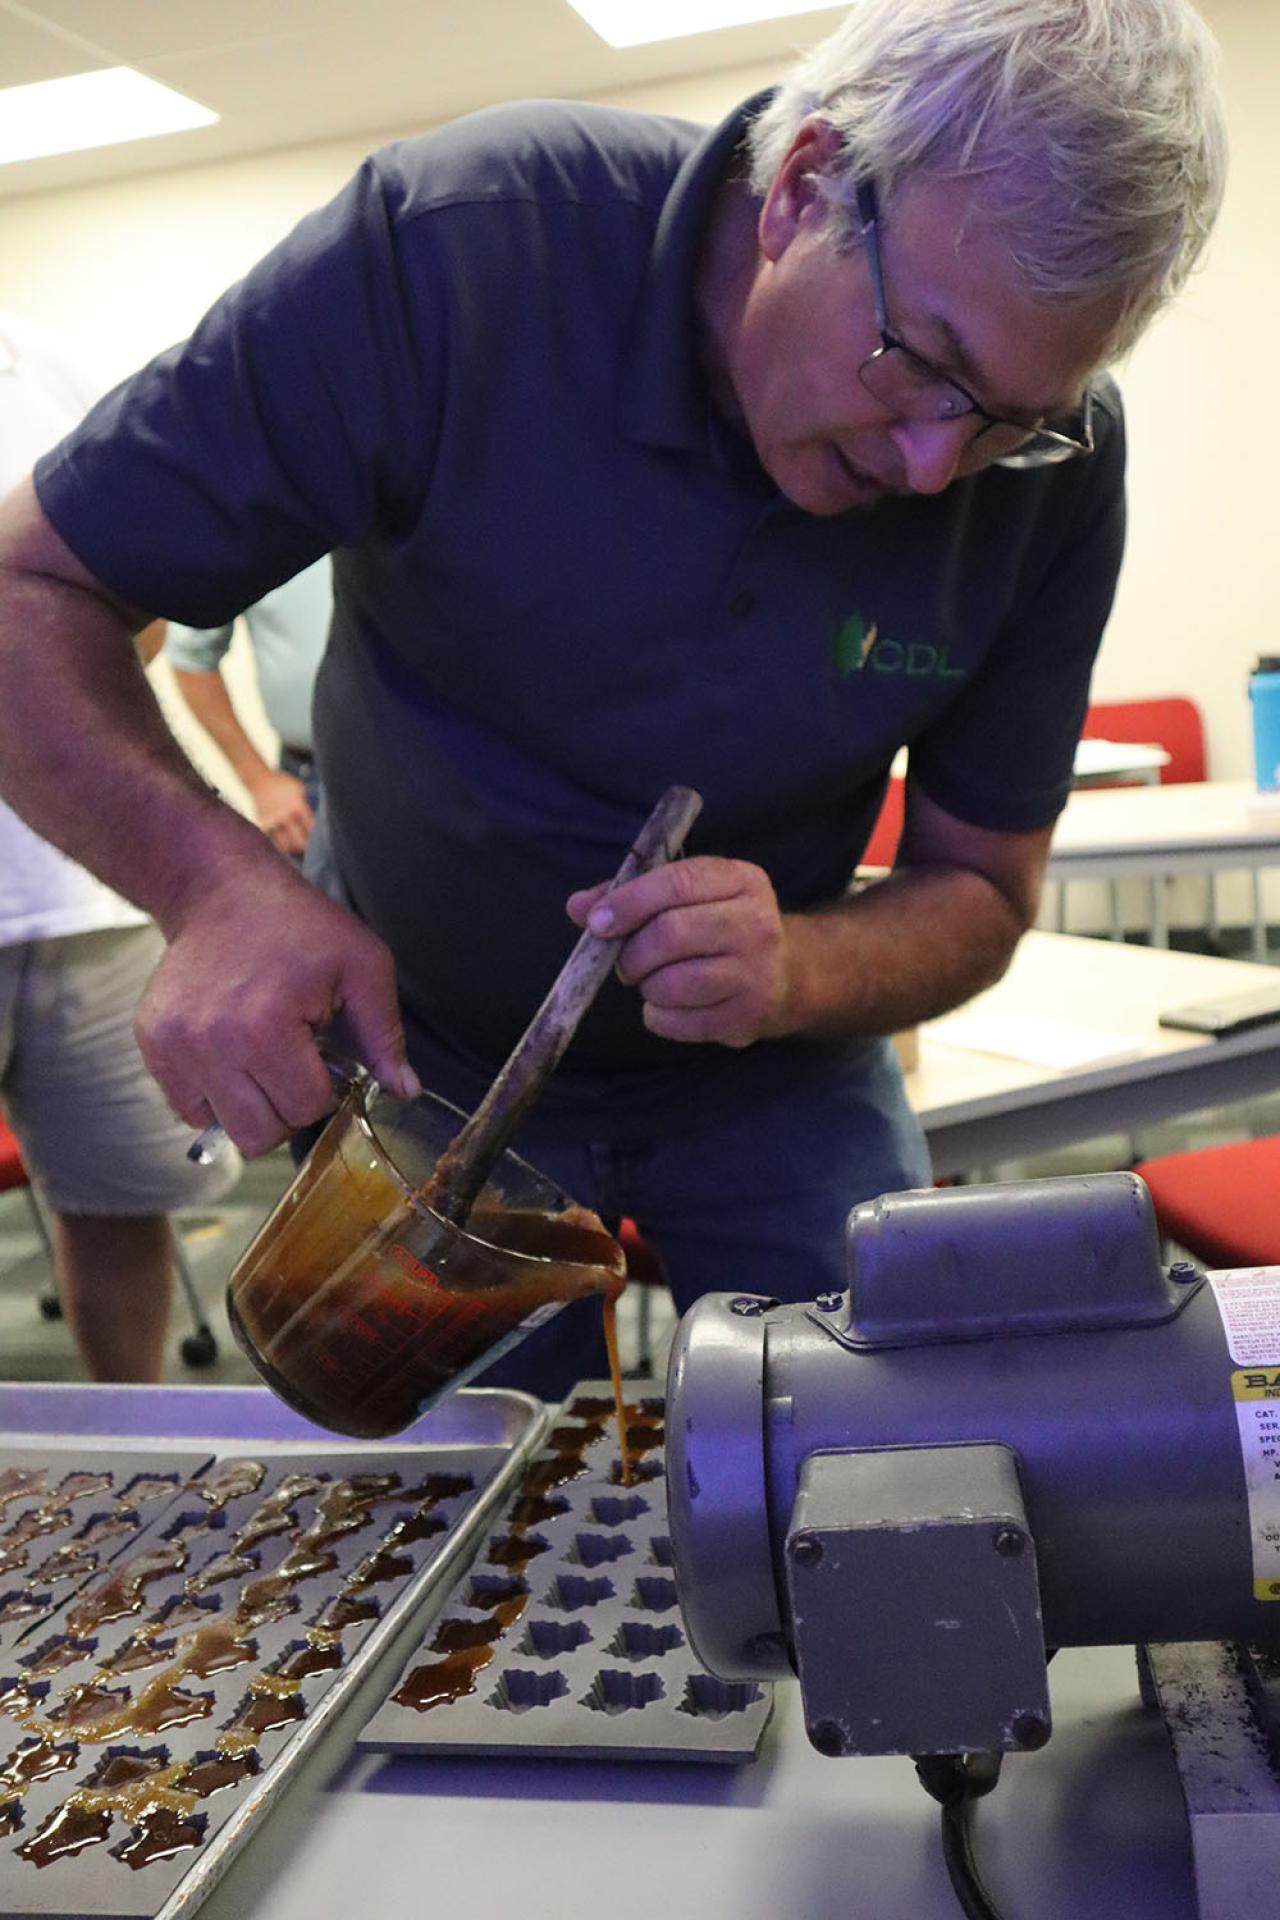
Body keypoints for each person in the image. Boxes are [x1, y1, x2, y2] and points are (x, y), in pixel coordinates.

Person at [0, 0, 1226, 1397]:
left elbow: (985, 891)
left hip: (782, 1072)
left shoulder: (1057, 469)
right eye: (923, 365)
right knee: (464, 1529)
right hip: (430, 1050)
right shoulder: (457, 250)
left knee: (882, 1470)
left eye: (1010, 418)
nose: (938, 468)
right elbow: (23, 599)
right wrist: (210, 887)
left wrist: (802, 970)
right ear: (806, 190)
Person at [0, 312, 240, 1383]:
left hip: (86, 890)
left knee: (120, 1200)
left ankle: (133, 1453)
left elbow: (130, 605)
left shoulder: (44, 362)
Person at [164, 559, 332, 861]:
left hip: (424, 763)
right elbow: (191, 659)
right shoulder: (263, 521)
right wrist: (258, 780)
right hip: (313, 782)